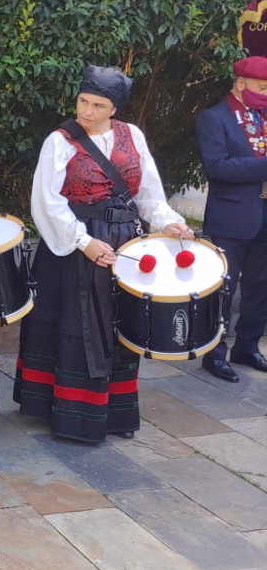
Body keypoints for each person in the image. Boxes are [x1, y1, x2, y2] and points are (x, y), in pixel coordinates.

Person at [14, 65, 192, 442]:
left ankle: (115, 413)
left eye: (97, 105)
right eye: (83, 101)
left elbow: (148, 192)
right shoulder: (59, 141)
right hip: (76, 243)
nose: (86, 111)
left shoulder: (133, 136)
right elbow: (47, 202)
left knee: (119, 325)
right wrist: (84, 242)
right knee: (76, 328)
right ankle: (69, 415)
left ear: (114, 109)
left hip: (124, 243)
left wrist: (168, 221)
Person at [194, 55, 267, 382]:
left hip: (263, 215)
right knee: (224, 287)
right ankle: (215, 352)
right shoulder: (214, 118)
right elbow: (217, 167)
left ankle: (248, 346)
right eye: (262, 88)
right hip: (232, 216)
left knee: (260, 287)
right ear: (241, 83)